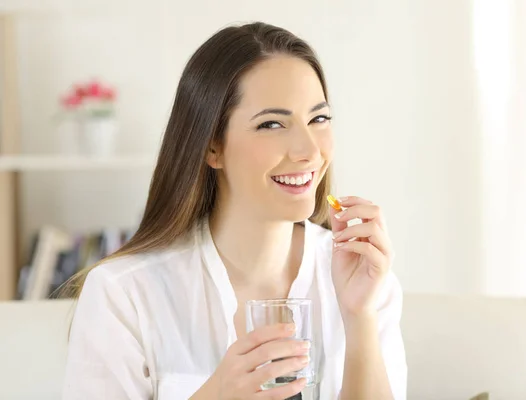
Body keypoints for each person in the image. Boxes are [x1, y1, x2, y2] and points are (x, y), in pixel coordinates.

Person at [62, 21, 407, 400]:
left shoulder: (364, 279)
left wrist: (359, 318)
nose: (308, 150)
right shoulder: (123, 293)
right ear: (212, 147)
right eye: (272, 124)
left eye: (318, 119)